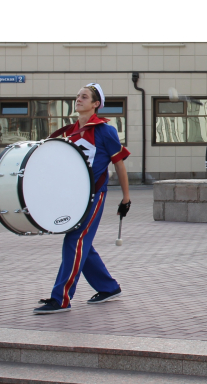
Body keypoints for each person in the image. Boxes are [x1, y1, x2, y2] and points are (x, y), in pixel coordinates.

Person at [35, 83, 132, 314]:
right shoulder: (70, 130)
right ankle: (108, 287)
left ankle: (61, 298)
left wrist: (126, 198)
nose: (78, 99)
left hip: (94, 195)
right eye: (78, 96)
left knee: (74, 241)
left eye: (84, 96)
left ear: (96, 104)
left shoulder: (105, 130)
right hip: (73, 196)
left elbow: (119, 165)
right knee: (81, 243)